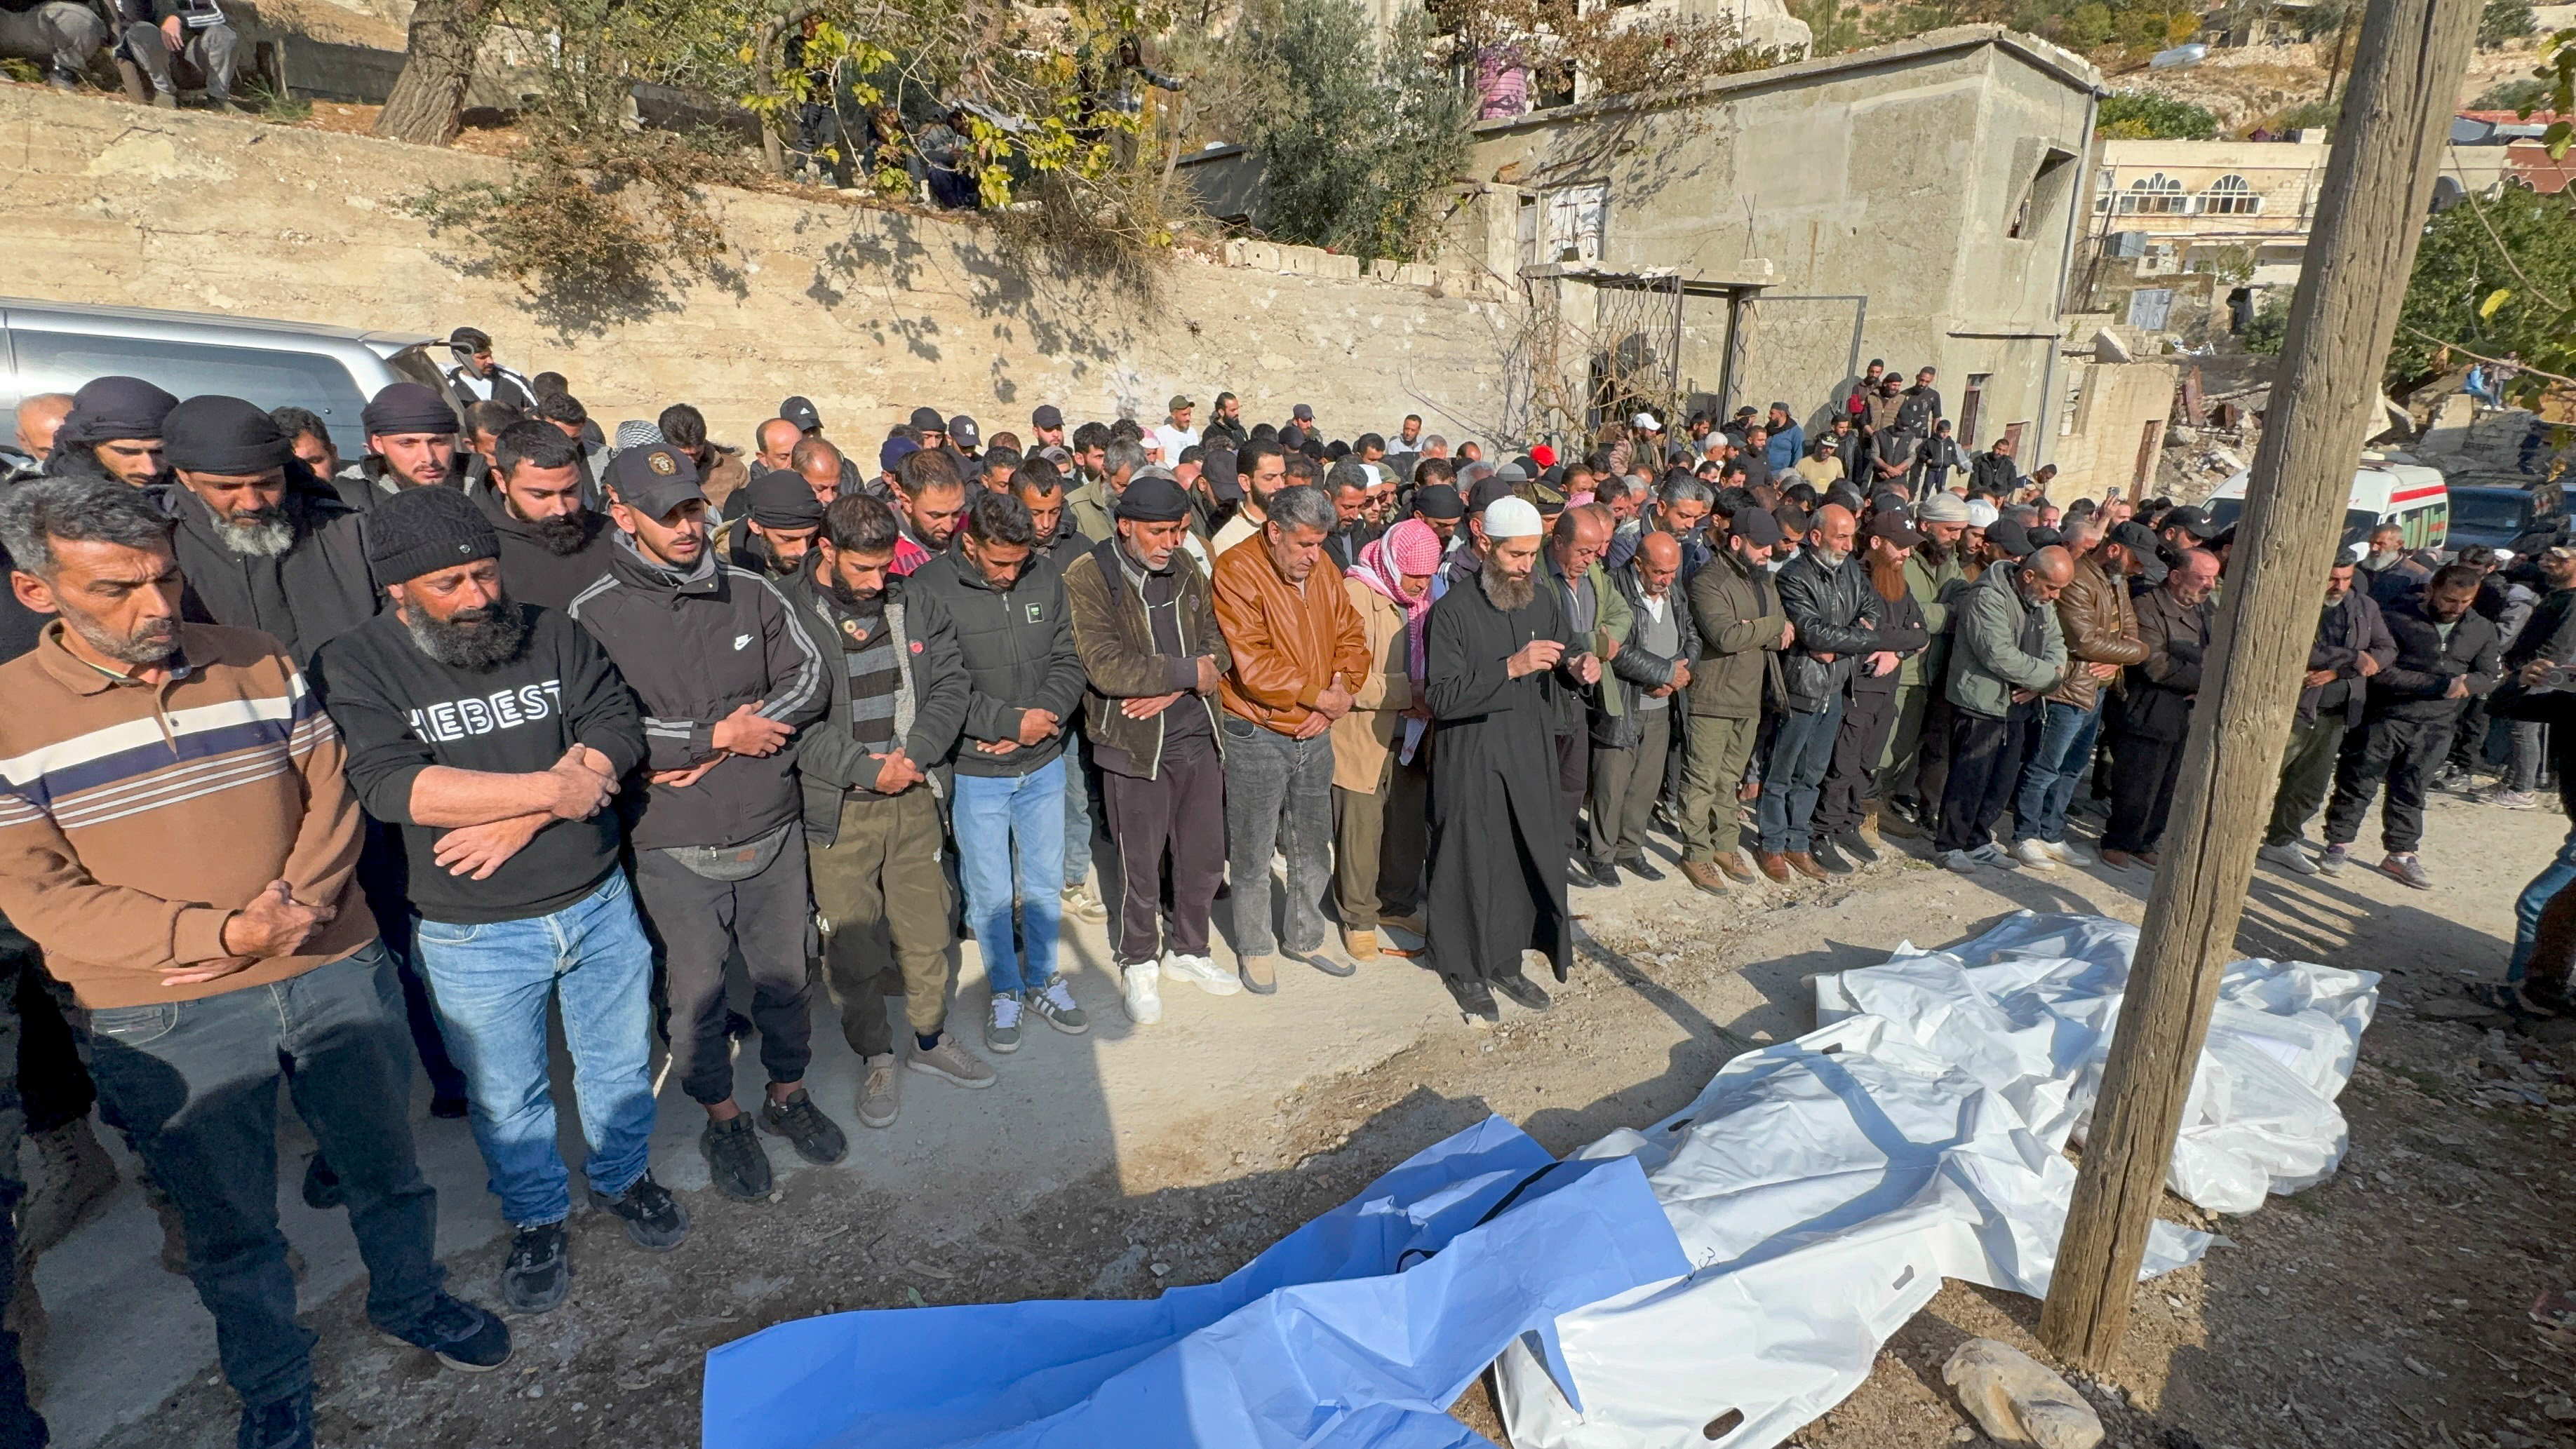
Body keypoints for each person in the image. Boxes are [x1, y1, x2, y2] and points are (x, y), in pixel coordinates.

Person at [0, 478, 510, 1449]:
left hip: (332, 966)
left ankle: (410, 1299)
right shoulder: (10, 718)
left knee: (388, 1171)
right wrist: (225, 935)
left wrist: (301, 906)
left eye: (163, 576)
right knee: (229, 1224)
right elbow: (39, 891)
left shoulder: (255, 659)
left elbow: (330, 789)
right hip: (168, 1014)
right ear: (38, 592)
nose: (157, 607)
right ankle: (273, 1377)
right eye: (117, 589)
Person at [311, 485, 687, 1318]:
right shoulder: (357, 662)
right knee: (508, 1094)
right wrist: (556, 786)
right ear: (398, 589)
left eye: (486, 574)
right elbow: (392, 784)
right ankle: (537, 1215)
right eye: (453, 584)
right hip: (473, 929)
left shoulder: (550, 630)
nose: (479, 597)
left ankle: (624, 1177)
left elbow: (617, 727)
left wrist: (527, 813)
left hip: (596, 899)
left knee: (618, 1065)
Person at [565, 444, 842, 1201]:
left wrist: (738, 739)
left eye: (693, 508)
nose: (687, 526)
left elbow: (807, 677)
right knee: (696, 996)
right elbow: (592, 726)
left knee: (788, 977)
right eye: (666, 514)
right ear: (621, 515)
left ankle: (787, 1094)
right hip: (672, 840)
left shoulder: (750, 591)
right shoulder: (591, 617)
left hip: (772, 824)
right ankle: (724, 1114)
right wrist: (712, 737)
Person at [778, 492, 990, 1128]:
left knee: (928, 933)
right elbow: (789, 719)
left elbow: (951, 684)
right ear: (826, 550)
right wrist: (868, 769)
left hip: (914, 797)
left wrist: (916, 755)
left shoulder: (912, 599)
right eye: (863, 569)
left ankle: (929, 1040)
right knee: (855, 948)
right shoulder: (786, 613)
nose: (877, 582)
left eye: (885, 567)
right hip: (841, 809)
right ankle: (876, 1055)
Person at [906, 492, 1092, 1050]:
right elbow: (938, 683)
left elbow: (1068, 657)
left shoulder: (1046, 576)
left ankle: (1041, 978)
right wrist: (1009, 721)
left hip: (1043, 764)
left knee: (1041, 884)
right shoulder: (930, 589)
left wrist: (1049, 715)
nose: (1011, 573)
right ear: (970, 543)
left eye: (1020, 561)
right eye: (999, 562)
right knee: (988, 891)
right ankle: (1005, 991)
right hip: (979, 771)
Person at [1061, 476, 1236, 1020]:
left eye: (1179, 530)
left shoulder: (1186, 568)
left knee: (1204, 860)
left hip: (1197, 735)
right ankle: (1139, 961)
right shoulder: (1089, 576)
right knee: (1140, 866)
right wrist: (1185, 674)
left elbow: (1219, 648)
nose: (1171, 542)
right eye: (1159, 532)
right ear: (1125, 526)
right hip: (1134, 746)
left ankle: (1190, 951)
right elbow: (1106, 666)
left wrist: (1176, 686)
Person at [1423, 497, 1600, 1020]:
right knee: (1469, 862)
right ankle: (1463, 969)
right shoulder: (1451, 613)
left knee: (1518, 858)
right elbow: (1441, 697)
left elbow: (1566, 651)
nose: (1527, 564)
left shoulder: (1542, 600)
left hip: (1528, 749)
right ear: (1485, 545)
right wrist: (1511, 668)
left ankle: (1503, 961)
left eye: (1532, 554)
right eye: (1516, 555)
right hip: (1472, 758)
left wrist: (1579, 666)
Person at [1212, 485, 1365, 993]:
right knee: (1254, 851)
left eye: (1320, 544)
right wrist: (1320, 697)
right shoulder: (1236, 569)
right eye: (1304, 545)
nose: (1314, 556)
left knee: (1312, 842)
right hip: (1256, 729)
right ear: (1273, 532)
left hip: (1315, 729)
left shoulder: (1323, 571)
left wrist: (1341, 692)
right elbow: (1253, 663)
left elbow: (1351, 635)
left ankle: (1306, 936)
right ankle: (1255, 947)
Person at [156, 395, 377, 667]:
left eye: (267, 484)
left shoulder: (349, 534)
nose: (251, 503)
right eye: (226, 488)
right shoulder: (159, 550)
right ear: (185, 478)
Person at [2319, 562, 2500, 887]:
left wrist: (2471, 683)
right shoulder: (2397, 617)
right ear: (2431, 590)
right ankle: (2338, 843)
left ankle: (2401, 853)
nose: (2455, 608)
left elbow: (2489, 674)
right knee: (2358, 782)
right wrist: (2439, 685)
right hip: (2387, 717)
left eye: (2465, 602)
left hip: (2437, 726)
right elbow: (2382, 671)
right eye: (2449, 599)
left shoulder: (2482, 628)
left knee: (2412, 790)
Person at [2009, 520, 2148, 869]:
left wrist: (2119, 659)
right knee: (2045, 766)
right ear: (2114, 550)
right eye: (2136, 560)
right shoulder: (2077, 578)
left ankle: (2051, 833)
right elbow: (2083, 641)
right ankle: (2025, 834)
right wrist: (2128, 654)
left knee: (2071, 768)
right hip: (2068, 688)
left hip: (2096, 689)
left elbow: (2132, 631)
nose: (2139, 569)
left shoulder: (2117, 582)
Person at [1331, 517, 1438, 955]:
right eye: (1414, 575)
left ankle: (1397, 902)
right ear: (1394, 563)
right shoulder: (1354, 594)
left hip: (1414, 731)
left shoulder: (1427, 596)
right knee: (1361, 831)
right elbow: (1343, 674)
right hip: (1364, 733)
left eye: (1428, 576)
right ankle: (1358, 917)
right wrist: (1405, 693)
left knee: (1406, 829)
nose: (1420, 585)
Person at [1764, 504, 1886, 881]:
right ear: (1816, 537)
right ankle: (1771, 843)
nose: (1850, 545)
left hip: (1835, 686)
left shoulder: (1849, 569)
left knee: (1814, 772)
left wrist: (1844, 642)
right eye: (1842, 536)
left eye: (1852, 536)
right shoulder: (1793, 577)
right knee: (1783, 771)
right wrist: (1854, 636)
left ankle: (1798, 842)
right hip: (1803, 685)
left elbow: (1873, 612)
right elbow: (1812, 633)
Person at [1676, 508, 1791, 893]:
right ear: (1737, 542)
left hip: (1750, 696)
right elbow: (1725, 636)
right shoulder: (1708, 580)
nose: (1768, 552)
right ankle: (1696, 853)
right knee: (1702, 779)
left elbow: (1783, 636)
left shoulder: (1766, 581)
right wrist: (1771, 626)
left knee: (1730, 781)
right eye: (1760, 546)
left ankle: (1725, 846)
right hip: (1712, 697)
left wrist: (1758, 630)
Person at [1937, 544, 2072, 872]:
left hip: (2019, 705)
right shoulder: (1988, 597)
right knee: (1969, 777)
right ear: (2029, 575)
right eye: (2051, 587)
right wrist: (2046, 679)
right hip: (1981, 702)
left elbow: (2057, 645)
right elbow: (1998, 655)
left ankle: (1978, 840)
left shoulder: (2040, 603)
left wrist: (2044, 680)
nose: (2055, 596)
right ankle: (1950, 844)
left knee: (2001, 780)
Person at [2258, 556, 2395, 875]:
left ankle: (2282, 841)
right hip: (2293, 705)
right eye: (2333, 578)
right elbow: (2297, 647)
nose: (2339, 586)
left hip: (2336, 711)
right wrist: (2351, 658)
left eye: (2346, 579)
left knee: (2310, 784)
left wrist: (2337, 672)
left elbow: (2386, 649)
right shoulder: (2299, 602)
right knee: (2263, 775)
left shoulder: (2364, 606)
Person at [1811, 513, 1926, 871]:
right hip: (1855, 690)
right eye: (1901, 547)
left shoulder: (1900, 584)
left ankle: (1849, 822)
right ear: (1876, 543)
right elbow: (1860, 633)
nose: (1906, 554)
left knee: (1866, 765)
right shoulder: (1854, 580)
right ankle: (1822, 831)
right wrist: (1894, 640)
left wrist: (1898, 651)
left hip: (1884, 693)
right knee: (1841, 766)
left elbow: (1921, 634)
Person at [1583, 530, 1696, 886]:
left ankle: (1631, 849)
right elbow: (1615, 649)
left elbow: (1691, 633)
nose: (1667, 580)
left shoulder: (1674, 591)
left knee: (1645, 785)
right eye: (1659, 572)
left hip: (1661, 705)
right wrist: (1663, 672)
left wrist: (1680, 672)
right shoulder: (1615, 589)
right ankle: (1601, 854)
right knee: (1611, 785)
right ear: (1638, 565)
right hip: (1623, 704)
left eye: (1672, 572)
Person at [2100, 548, 2220, 870]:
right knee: (2137, 783)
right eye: (2201, 577)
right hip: (2149, 710)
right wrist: (2208, 682)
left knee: (2169, 785)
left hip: (2187, 714)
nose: (2209, 585)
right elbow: (2153, 663)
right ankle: (2118, 842)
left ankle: (2145, 842)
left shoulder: (2207, 611)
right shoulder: (2147, 607)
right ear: (2176, 576)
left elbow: (2217, 654)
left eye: (2213, 577)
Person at [339, 383, 471, 511]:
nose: (428, 458)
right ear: (378, 444)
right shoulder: (350, 495)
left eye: (438, 442)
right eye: (407, 444)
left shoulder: (483, 484)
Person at [46, 375, 175, 487]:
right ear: (88, 445)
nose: (150, 469)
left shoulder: (187, 492)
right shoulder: (46, 504)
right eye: (127, 452)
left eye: (160, 452)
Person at [720, 467, 826, 581]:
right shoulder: (724, 569)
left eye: (810, 536)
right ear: (756, 526)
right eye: (788, 539)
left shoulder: (827, 555)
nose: (803, 551)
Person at [890, 447, 971, 576]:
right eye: (936, 515)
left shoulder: (973, 529)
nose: (949, 527)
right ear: (906, 502)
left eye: (957, 512)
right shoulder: (884, 546)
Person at [659, 404, 748, 516]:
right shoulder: (651, 473)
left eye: (696, 454)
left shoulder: (733, 470)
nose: (691, 461)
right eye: (684, 455)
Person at [1211, 439, 1289, 555]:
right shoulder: (1228, 541)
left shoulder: (1293, 523)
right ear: (1245, 482)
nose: (1281, 485)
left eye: (1282, 476)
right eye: (1269, 478)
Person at [443, 328, 537, 410]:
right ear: (462, 358)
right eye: (482, 357)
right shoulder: (447, 388)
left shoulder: (512, 380)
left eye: (490, 354)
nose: (490, 361)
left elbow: (538, 415)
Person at [1150, 396, 1200, 467]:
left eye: (1189, 414)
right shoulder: (1162, 433)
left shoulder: (1192, 432)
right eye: (1184, 415)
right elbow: (1160, 463)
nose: (1188, 418)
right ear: (1173, 415)